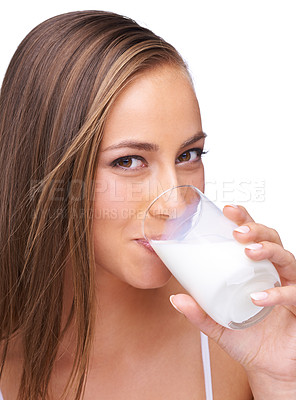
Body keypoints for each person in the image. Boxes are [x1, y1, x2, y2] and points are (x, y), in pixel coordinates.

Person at [0, 10, 295, 400]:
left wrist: (281, 380)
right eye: (128, 161)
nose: (174, 204)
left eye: (189, 155)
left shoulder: (238, 338)